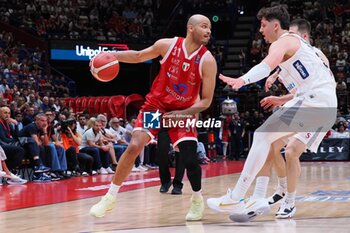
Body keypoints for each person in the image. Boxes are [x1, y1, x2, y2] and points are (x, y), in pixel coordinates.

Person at [207, 5, 337, 220]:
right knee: (271, 144)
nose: (260, 30)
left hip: (316, 103)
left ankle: (239, 196)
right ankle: (258, 197)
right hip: (318, 104)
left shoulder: (284, 40)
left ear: (275, 25)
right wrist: (283, 98)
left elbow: (266, 65)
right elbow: (311, 82)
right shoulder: (302, 49)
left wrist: (242, 80)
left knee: (263, 137)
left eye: (263, 25)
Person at [89, 14, 217, 221]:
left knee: (189, 158)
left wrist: (182, 113)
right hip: (156, 108)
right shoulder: (167, 45)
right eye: (204, 26)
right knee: (133, 146)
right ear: (190, 28)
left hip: (182, 112)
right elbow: (139, 55)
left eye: (210, 28)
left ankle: (197, 199)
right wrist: (112, 55)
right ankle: (110, 197)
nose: (208, 31)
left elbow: (206, 101)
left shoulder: (207, 59)